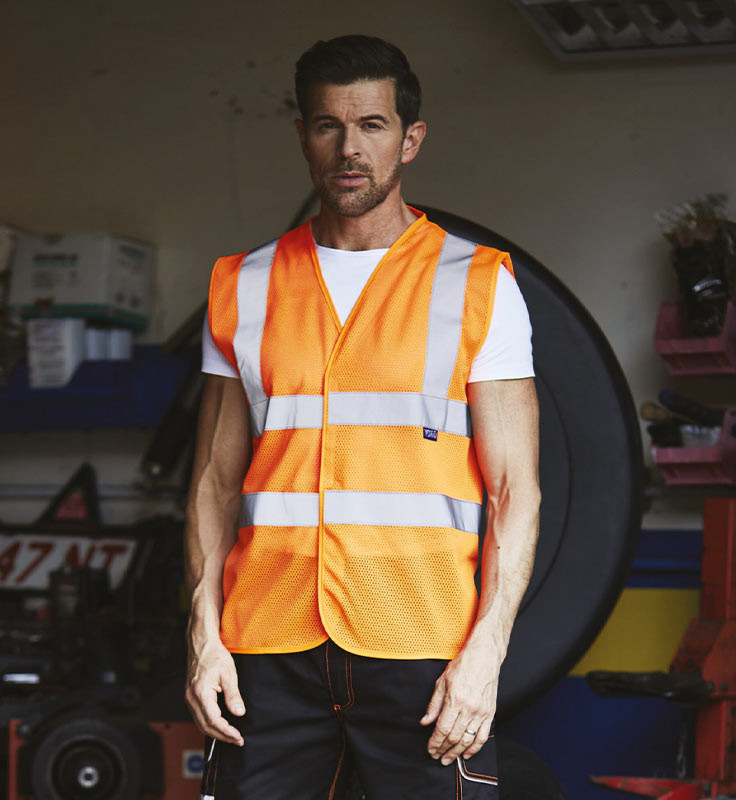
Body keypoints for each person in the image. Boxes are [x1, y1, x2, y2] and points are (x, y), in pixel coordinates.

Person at [184, 34, 540, 800]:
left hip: (423, 647)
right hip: (265, 649)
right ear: (304, 136)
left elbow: (517, 492)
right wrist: (202, 636)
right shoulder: (242, 285)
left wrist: (487, 655)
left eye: (372, 125)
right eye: (327, 126)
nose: (350, 148)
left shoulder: (476, 284)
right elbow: (214, 481)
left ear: (410, 138)